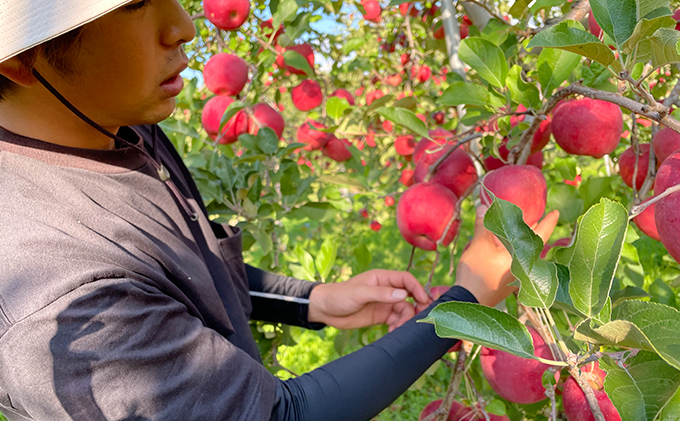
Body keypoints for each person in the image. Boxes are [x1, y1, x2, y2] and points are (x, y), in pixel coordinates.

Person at [0, 0, 559, 420]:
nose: (184, 26)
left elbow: (173, 267)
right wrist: (464, 304)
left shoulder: (112, 120)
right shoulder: (59, 301)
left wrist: (308, 302)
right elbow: (277, 416)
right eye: (136, 5)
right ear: (23, 60)